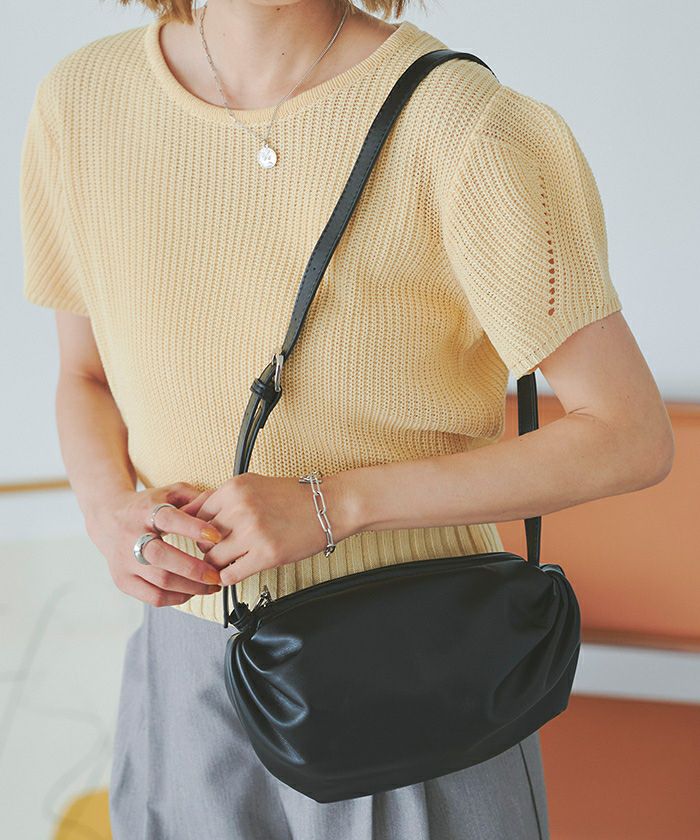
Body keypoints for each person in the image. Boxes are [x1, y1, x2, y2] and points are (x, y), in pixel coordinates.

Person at [19, 0, 674, 837]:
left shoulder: (464, 127)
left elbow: (628, 434)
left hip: (408, 662)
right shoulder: (82, 101)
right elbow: (84, 376)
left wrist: (332, 505)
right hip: (181, 670)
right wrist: (107, 512)